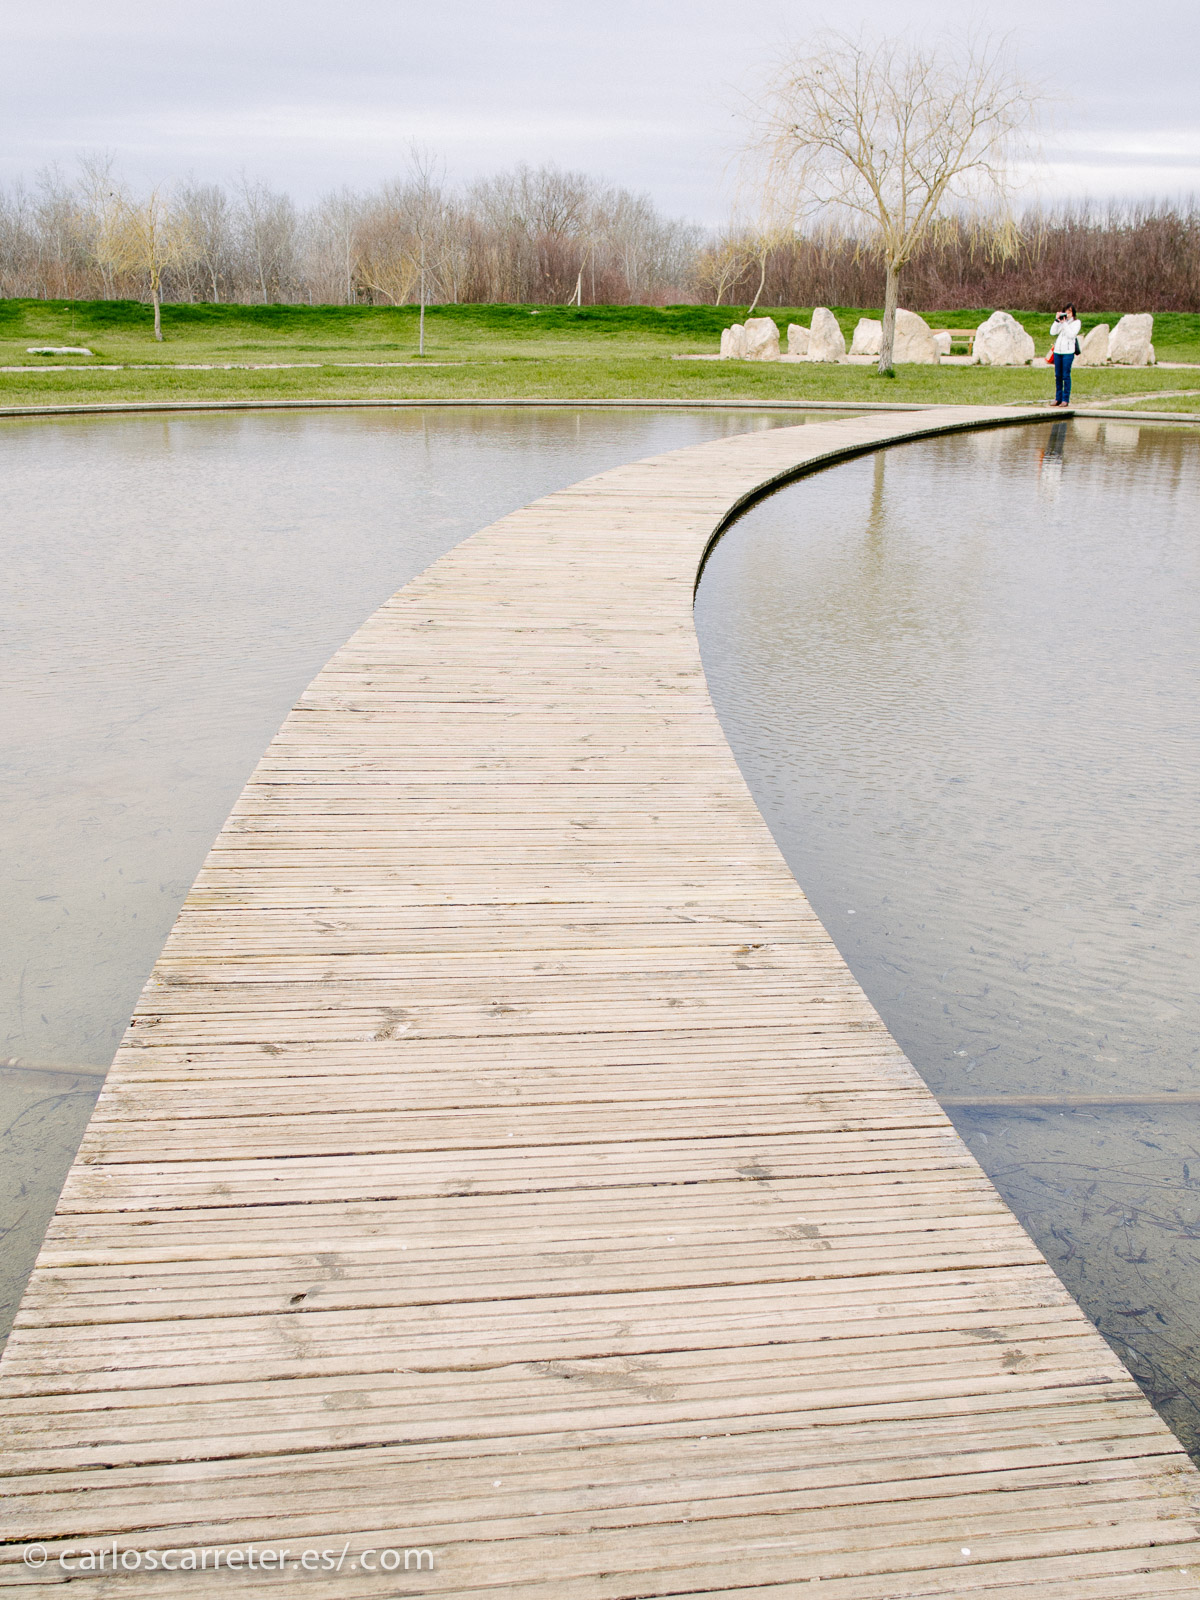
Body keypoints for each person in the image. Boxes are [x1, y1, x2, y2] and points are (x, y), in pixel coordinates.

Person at [1049, 304, 1082, 406]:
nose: (1067, 314)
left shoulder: (1076, 323)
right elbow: (1052, 332)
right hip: (1058, 351)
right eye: (1066, 312)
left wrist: (1064, 323)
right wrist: (1057, 321)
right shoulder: (1061, 322)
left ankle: (1065, 399)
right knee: (1058, 375)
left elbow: (1071, 334)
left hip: (1068, 352)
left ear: (1073, 313)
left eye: (1069, 312)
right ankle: (1058, 398)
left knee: (1065, 375)